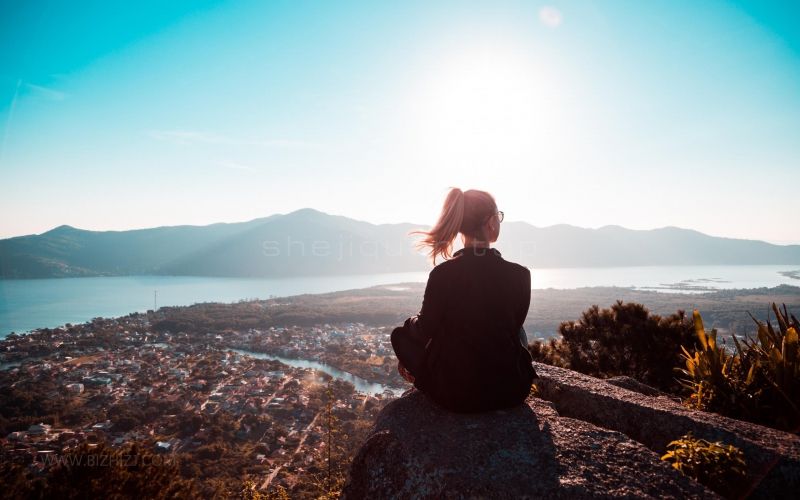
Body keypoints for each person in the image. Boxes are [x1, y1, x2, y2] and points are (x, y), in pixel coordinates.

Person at [391, 187, 536, 413]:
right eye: (498, 216)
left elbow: (424, 329)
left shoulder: (442, 274)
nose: (499, 222)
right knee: (517, 330)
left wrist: (410, 323)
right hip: (510, 391)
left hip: (453, 394)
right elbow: (513, 327)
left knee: (400, 336)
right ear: (490, 223)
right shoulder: (520, 275)